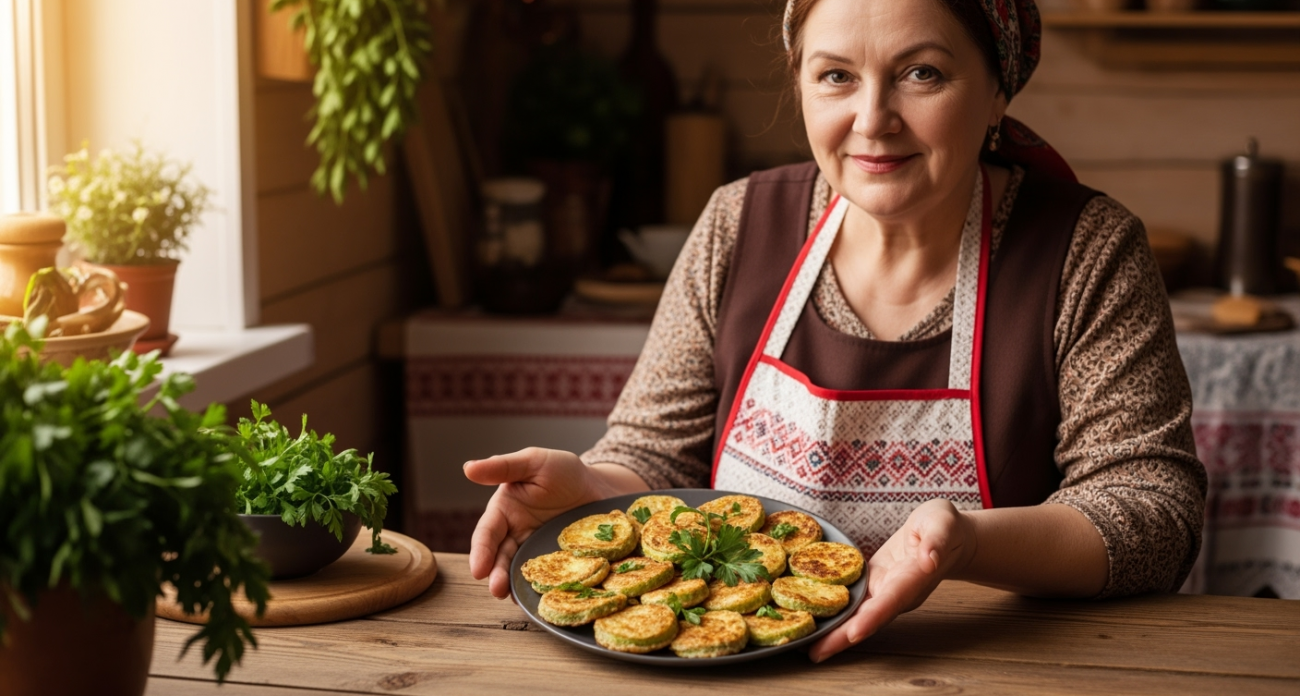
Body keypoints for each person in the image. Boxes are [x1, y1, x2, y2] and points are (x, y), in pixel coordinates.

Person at [464, 0, 1206, 663]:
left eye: (921, 73)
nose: (872, 119)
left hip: (987, 670)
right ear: (799, 85)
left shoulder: (1087, 251)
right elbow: (657, 453)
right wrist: (593, 491)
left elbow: (1156, 513)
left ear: (997, 91)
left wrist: (970, 542)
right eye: (836, 76)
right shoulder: (737, 224)